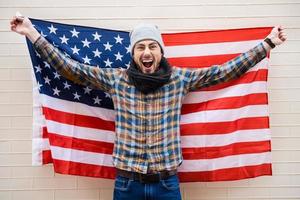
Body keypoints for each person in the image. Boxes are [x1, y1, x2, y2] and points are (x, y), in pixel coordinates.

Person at [10, 15, 287, 200]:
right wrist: (32, 33)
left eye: (152, 46)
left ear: (160, 52)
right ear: (132, 52)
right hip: (126, 184)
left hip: (167, 184)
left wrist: (267, 44)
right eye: (140, 46)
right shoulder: (116, 79)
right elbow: (70, 69)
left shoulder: (180, 78)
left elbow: (223, 72)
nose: (146, 52)